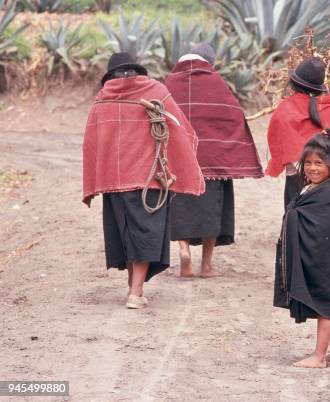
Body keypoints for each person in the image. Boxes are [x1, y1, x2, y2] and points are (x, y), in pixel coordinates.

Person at [83, 52, 204, 309]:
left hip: (114, 180)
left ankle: (132, 287)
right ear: (137, 71)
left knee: (126, 233)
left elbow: (92, 141)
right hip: (149, 178)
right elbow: (180, 129)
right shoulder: (155, 91)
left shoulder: (103, 98)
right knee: (145, 232)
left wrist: (96, 179)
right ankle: (136, 292)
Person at [164, 43, 263, 278]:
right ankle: (206, 265)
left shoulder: (169, 83)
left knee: (179, 206)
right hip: (213, 161)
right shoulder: (217, 83)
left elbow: (159, 117)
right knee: (212, 208)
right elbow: (233, 116)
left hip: (179, 160)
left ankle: (184, 250)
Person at [273, 130, 330, 368]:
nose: (312, 168)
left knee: (325, 306)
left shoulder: (328, 193)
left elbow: (314, 220)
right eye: (308, 163)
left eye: (319, 163)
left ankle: (319, 357)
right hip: (322, 257)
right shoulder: (313, 188)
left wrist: (293, 214)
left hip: (322, 258)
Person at [266, 57, 330, 209]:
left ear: (292, 83)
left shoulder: (284, 109)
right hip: (327, 186)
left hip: (295, 183)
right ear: (319, 87)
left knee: (295, 226)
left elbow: (276, 145)